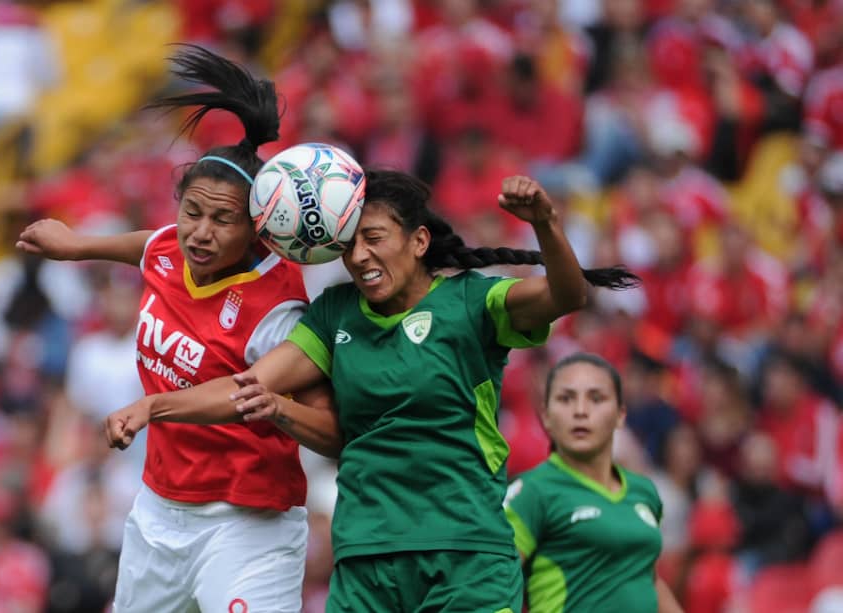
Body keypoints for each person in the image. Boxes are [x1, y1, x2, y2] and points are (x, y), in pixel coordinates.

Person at [104, 169, 641, 611]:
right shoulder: (334, 313)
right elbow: (247, 386)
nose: (359, 256)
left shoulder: (472, 303)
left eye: (374, 238)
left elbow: (568, 296)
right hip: (366, 558)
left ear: (419, 241)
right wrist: (156, 407)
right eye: (349, 244)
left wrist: (545, 223)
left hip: (465, 552)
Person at [16, 46, 330, 613]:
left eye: (222, 219)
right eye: (192, 212)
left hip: (247, 522)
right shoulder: (170, 250)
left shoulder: (279, 307)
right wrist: (76, 246)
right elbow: (151, 243)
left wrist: (152, 408)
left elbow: (316, 421)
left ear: (258, 229)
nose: (200, 233)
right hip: (158, 512)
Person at [503, 352, 683, 613]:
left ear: (621, 414)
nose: (580, 411)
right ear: (546, 416)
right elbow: (491, 582)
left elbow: (645, 575)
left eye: (596, 398)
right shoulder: (530, 492)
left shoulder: (643, 491)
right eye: (566, 399)